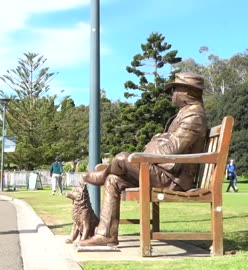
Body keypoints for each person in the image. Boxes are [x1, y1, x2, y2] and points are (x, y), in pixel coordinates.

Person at [79, 72, 208, 246]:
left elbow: (171, 150)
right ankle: (106, 234)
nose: (172, 94)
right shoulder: (184, 114)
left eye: (175, 89)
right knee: (113, 179)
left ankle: (102, 174)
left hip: (174, 179)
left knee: (123, 157)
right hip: (165, 173)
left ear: (187, 92)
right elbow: (168, 145)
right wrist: (160, 139)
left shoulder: (194, 116)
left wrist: (158, 140)